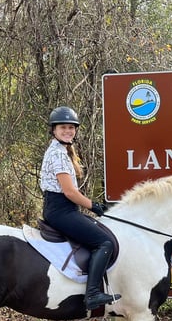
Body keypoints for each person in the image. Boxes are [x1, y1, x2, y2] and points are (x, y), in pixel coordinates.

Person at [39, 106, 120, 310]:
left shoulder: (62, 151)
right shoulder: (57, 155)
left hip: (64, 209)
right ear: (54, 130)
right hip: (61, 210)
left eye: (71, 127)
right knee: (105, 242)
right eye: (63, 127)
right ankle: (92, 294)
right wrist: (95, 207)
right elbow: (70, 192)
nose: (68, 131)